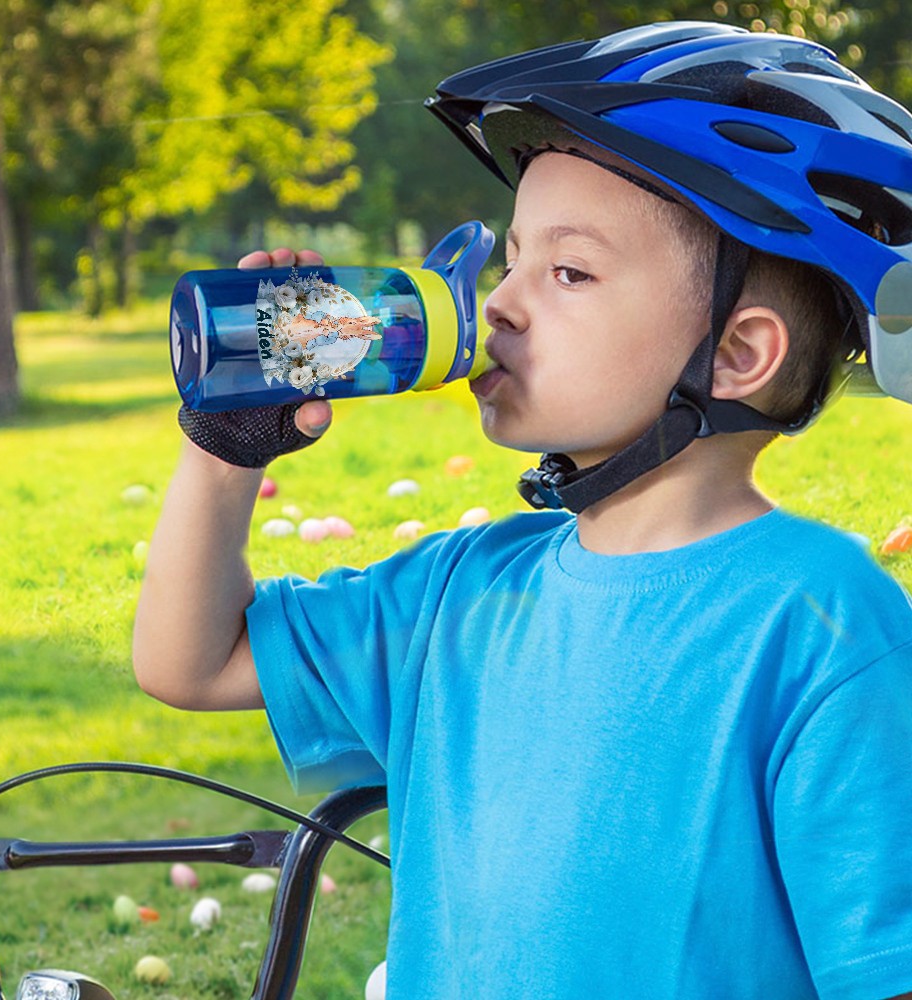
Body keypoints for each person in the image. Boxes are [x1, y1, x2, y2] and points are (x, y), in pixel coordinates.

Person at [133, 21, 912, 999]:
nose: (500, 303)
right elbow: (187, 658)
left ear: (734, 355)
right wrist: (224, 453)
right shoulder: (458, 591)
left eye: (569, 271)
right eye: (510, 260)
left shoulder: (820, 620)